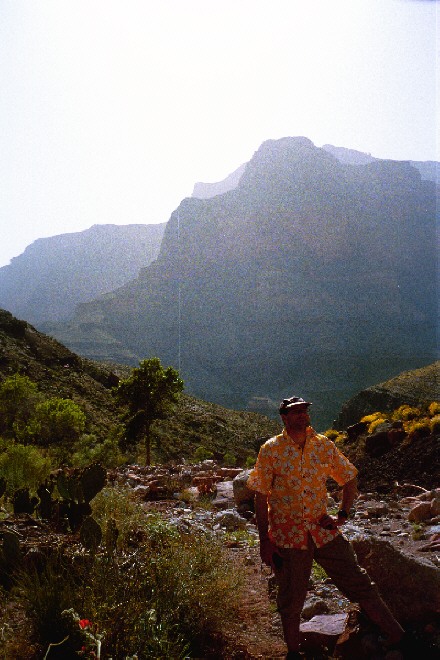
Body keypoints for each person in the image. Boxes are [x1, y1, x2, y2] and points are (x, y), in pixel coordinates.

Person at [247, 396, 405, 660]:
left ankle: (397, 636)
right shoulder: (271, 450)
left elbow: (350, 477)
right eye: (295, 412)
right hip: (289, 535)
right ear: (284, 417)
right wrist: (265, 540)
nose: (301, 415)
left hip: (323, 530)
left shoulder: (323, 446)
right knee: (291, 598)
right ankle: (293, 652)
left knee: (359, 581)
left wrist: (342, 514)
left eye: (304, 410)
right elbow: (260, 496)